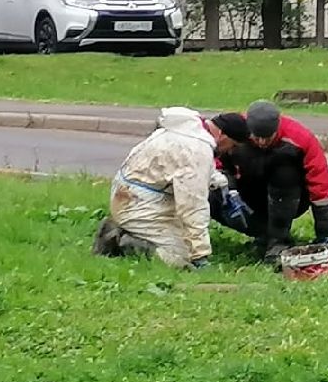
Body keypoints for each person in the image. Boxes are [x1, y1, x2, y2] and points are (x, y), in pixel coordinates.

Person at [93, 107, 237, 269]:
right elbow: (192, 207)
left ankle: (122, 228)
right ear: (223, 136)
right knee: (180, 258)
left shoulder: (184, 132)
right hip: (140, 204)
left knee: (182, 238)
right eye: (232, 146)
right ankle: (126, 242)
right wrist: (200, 254)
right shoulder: (196, 149)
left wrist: (221, 183)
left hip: (131, 193)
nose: (230, 152)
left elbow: (190, 169)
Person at [211, 99, 328, 266]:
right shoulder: (234, 129)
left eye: (267, 137)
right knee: (210, 192)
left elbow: (321, 184)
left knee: (285, 172)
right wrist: (228, 191)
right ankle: (264, 233)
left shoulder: (300, 138)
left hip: (289, 197)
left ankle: (278, 240)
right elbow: (215, 165)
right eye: (257, 137)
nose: (262, 142)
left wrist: (326, 232)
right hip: (248, 192)